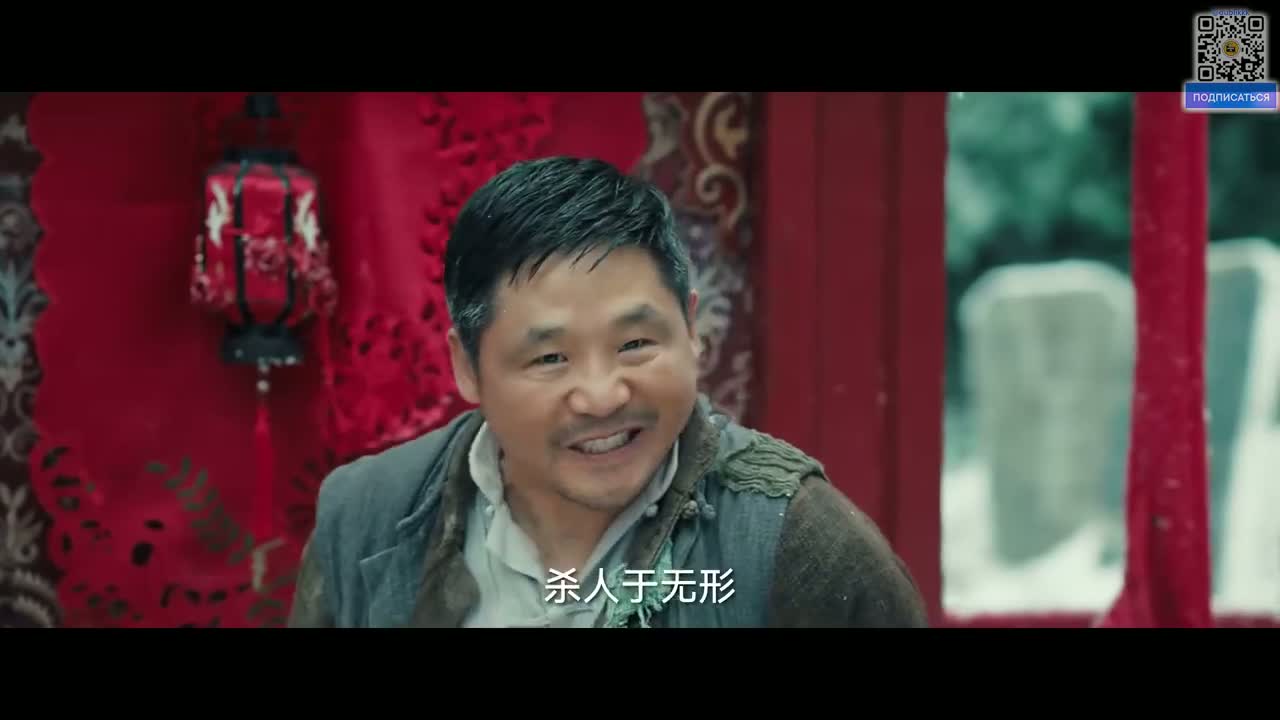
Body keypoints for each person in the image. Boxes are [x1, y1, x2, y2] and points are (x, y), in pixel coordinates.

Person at [287, 156, 928, 628]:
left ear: (691, 331)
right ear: (468, 368)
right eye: (550, 358)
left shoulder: (797, 541)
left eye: (635, 344)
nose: (601, 396)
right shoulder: (367, 516)